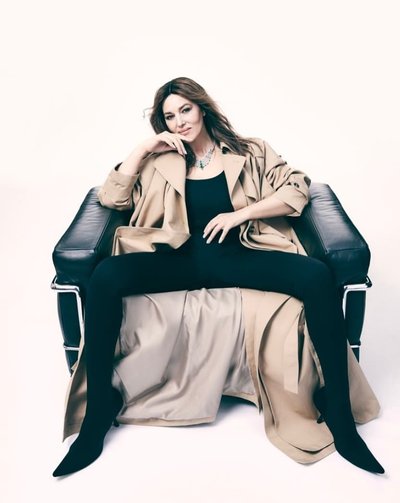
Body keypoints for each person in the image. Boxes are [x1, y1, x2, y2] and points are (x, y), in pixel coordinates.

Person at [53, 77, 384, 477]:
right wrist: (142, 150)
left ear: (202, 108)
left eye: (185, 110)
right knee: (106, 276)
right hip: (180, 259)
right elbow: (113, 198)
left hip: (238, 255)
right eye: (169, 116)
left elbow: (298, 190)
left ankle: (341, 416)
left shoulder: (250, 150)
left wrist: (241, 214)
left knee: (315, 276)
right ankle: (96, 416)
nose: (179, 122)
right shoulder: (158, 161)